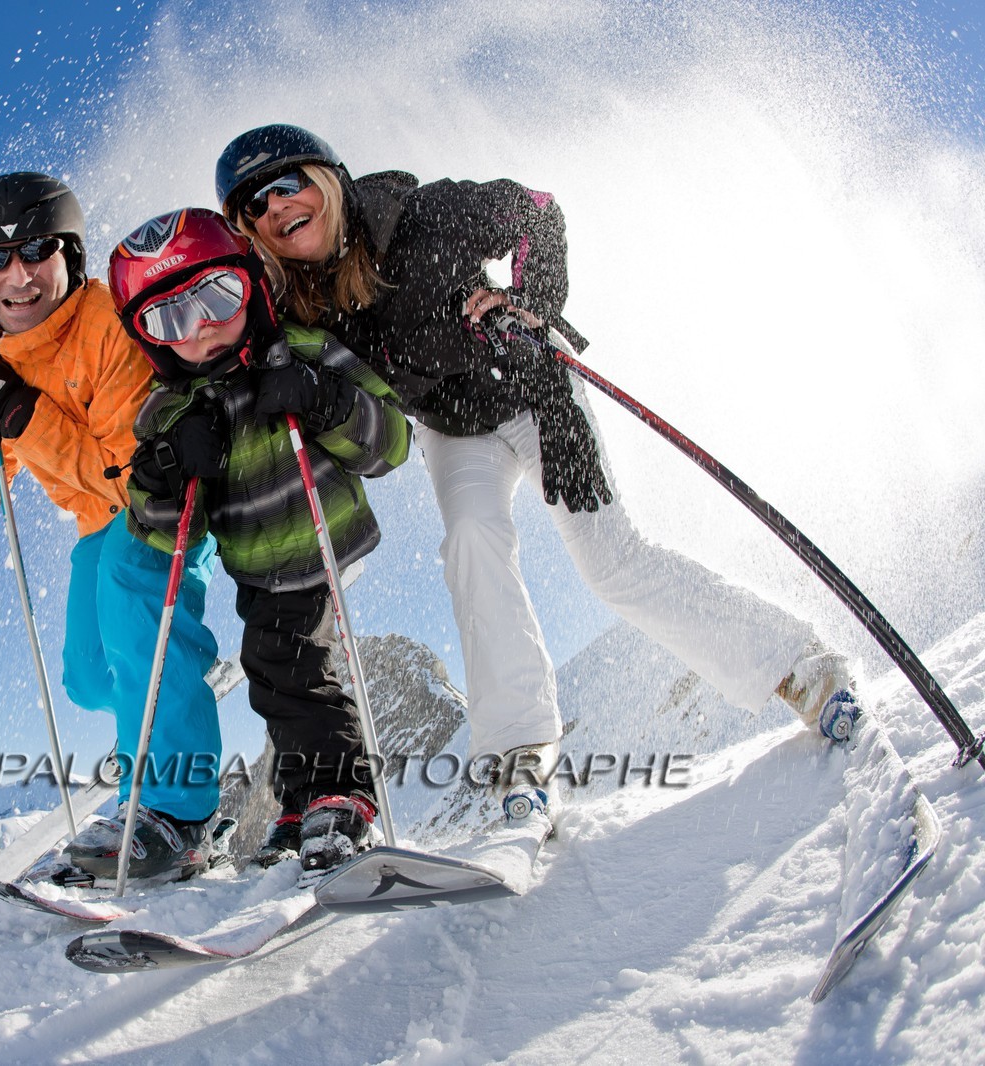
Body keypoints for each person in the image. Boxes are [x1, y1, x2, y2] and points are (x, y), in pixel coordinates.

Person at [212, 124, 859, 799]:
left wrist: (534, 303)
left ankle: (801, 668)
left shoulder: (423, 215)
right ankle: (521, 758)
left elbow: (537, 209)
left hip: (530, 391)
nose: (274, 206)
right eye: (252, 205)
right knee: (470, 542)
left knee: (613, 563)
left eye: (287, 183)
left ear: (329, 179)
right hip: (453, 430)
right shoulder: (299, 309)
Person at [0, 173, 223, 881]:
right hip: (95, 520)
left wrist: (25, 413)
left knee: (130, 595)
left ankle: (176, 815)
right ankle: (162, 688)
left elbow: (124, 470)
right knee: (90, 678)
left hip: (160, 501)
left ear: (71, 256)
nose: (18, 277)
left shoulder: (108, 326)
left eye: (37, 252)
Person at [109, 207, 412, 871]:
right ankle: (302, 807)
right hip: (256, 566)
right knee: (271, 679)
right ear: (152, 340)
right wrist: (164, 474)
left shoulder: (305, 351)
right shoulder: (172, 412)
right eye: (172, 319)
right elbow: (165, 534)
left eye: (217, 296)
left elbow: (391, 443)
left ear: (249, 281)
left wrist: (325, 399)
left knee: (295, 666)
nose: (204, 327)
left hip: (323, 540)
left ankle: (342, 798)